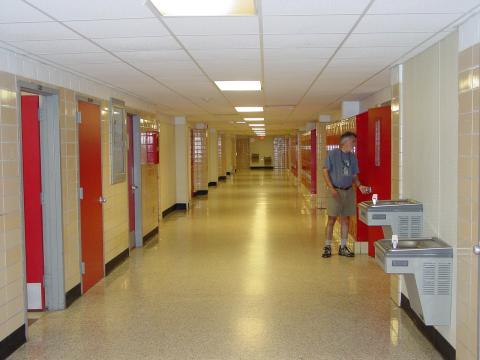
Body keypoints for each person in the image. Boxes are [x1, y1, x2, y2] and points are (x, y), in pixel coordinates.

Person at [322, 131, 369, 258]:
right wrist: (331, 188)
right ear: (346, 142)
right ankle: (327, 246)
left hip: (348, 191)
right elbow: (325, 171)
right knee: (331, 219)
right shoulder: (333, 154)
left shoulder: (352, 157)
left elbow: (354, 175)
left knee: (346, 220)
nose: (354, 144)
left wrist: (360, 186)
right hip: (335, 191)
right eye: (353, 141)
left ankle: (343, 247)